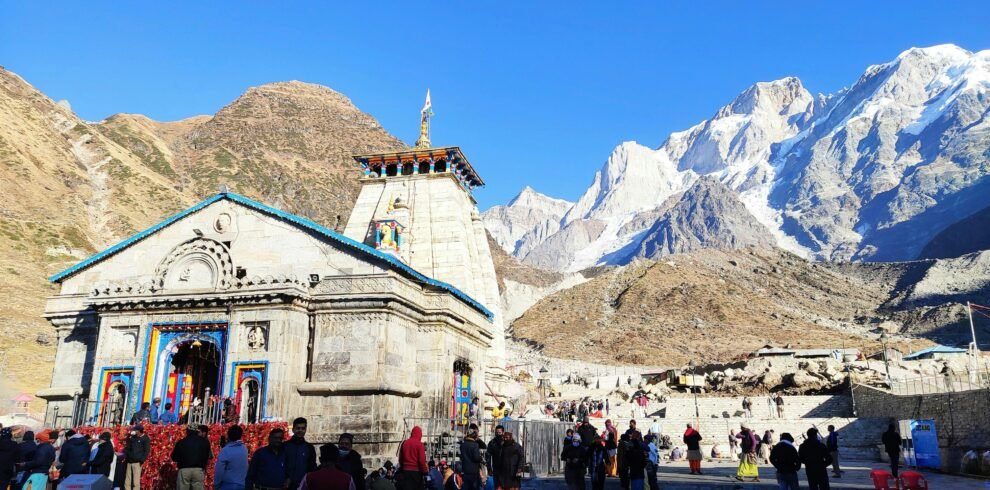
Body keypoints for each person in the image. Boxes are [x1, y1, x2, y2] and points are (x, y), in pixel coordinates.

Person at [172, 426, 212, 490]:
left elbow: (174, 457)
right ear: (197, 431)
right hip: (199, 470)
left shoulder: (181, 442)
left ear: (187, 432)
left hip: (184, 470)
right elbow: (208, 456)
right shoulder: (205, 442)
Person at [285, 417, 318, 489]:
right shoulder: (285, 446)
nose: (300, 430)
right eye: (298, 428)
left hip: (303, 486)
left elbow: (312, 468)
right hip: (285, 485)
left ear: (305, 430)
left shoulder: (309, 448)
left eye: (303, 428)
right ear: (293, 429)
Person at [214, 425, 248, 490]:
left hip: (227, 484)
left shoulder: (225, 450)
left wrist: (216, 484)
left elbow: (219, 469)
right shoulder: (244, 449)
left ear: (228, 435)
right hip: (242, 485)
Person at [124, 424, 150, 490]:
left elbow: (146, 451)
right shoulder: (133, 438)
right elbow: (128, 447)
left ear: (140, 431)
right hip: (129, 462)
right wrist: (128, 454)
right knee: (127, 482)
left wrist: (141, 460)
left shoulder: (145, 439)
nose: (134, 432)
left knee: (136, 482)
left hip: (137, 463)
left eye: (136, 430)